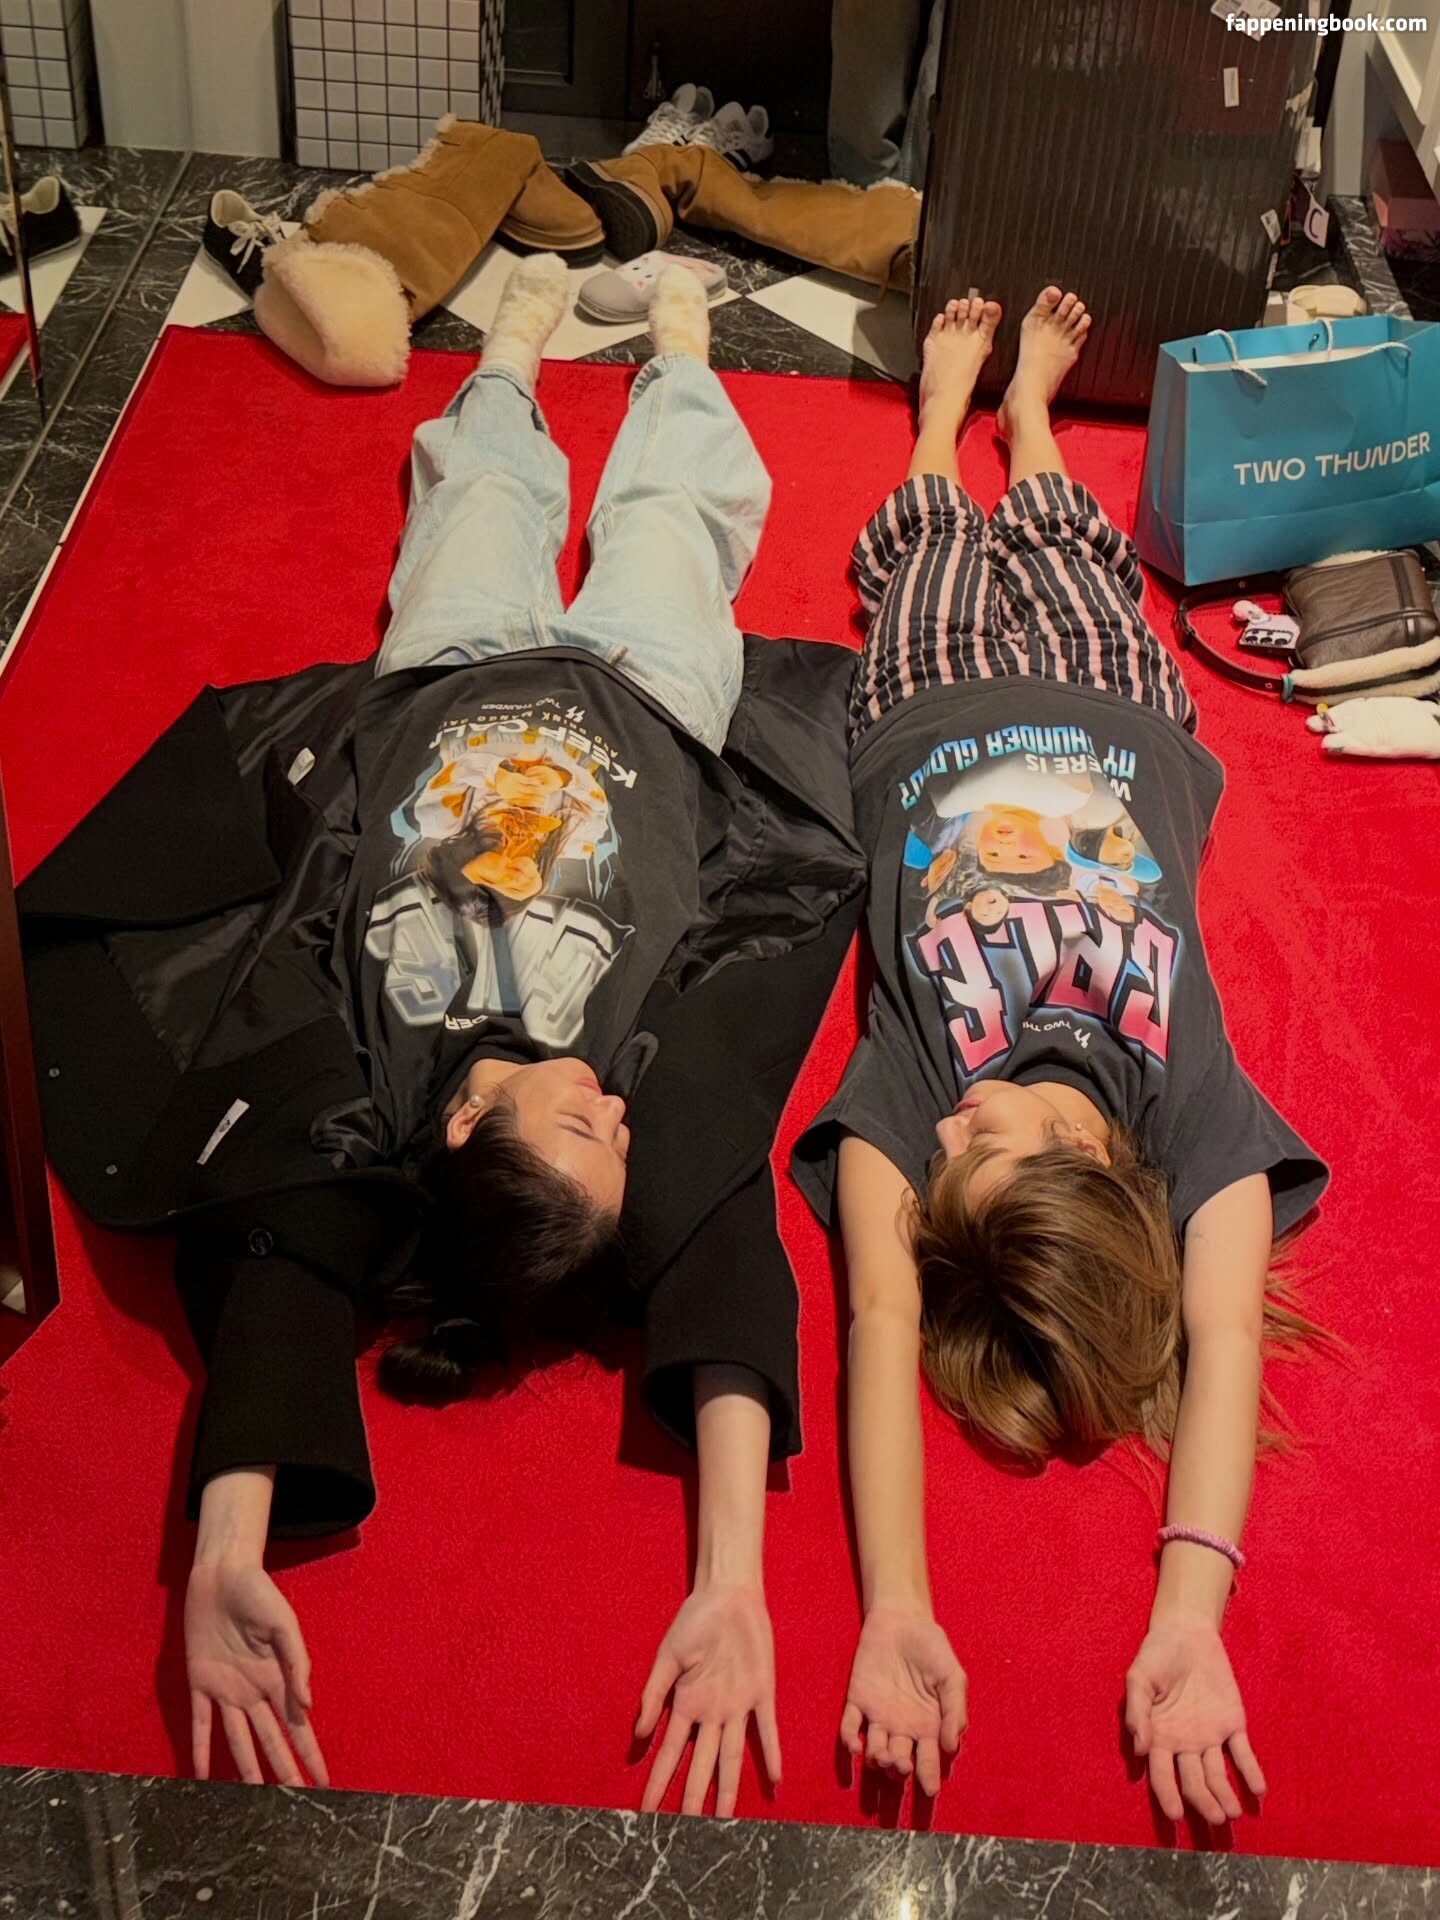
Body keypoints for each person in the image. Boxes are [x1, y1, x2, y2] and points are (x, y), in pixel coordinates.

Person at [20, 256, 863, 1815]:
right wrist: (733, 1579)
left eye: (581, 1126)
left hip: (444, 678)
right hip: (654, 703)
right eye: (622, 1138)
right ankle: (681, 337)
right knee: (671, 520)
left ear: (471, 1125)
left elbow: (279, 1284)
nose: (620, 1112)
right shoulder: (632, 1081)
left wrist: (223, 1547)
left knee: (478, 487)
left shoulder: (369, 1089)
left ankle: (519, 344)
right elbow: (730, 1283)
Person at [791, 288, 1329, 1825]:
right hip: (1122, 720)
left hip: (927, 718)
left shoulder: (919, 1099)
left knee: (927, 546)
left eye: (939, 1162)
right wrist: (1192, 1616)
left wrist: (899, 1604)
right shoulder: (1184, 1111)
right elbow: (1220, 1342)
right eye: (989, 1144)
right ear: (1090, 1152)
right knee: (1074, 548)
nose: (949, 1127)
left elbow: (880, 1317)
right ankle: (1026, 414)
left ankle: (934, 421)